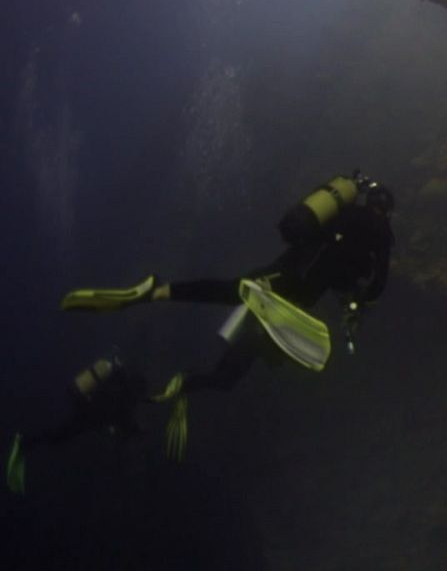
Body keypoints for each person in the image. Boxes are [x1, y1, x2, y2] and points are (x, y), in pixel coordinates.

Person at [56, 172, 395, 459]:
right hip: (293, 302)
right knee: (233, 371)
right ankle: (191, 382)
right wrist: (359, 305)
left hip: (279, 279)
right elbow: (377, 282)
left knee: (228, 292)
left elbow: (305, 230)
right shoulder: (382, 233)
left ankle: (159, 293)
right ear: (387, 211)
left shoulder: (344, 213)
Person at [6, 353, 147, 494]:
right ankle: (24, 442)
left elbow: (121, 420)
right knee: (59, 435)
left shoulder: (121, 389)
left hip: (86, 410)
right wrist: (135, 431)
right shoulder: (124, 399)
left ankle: (26, 443)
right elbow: (123, 421)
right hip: (88, 415)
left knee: (59, 436)